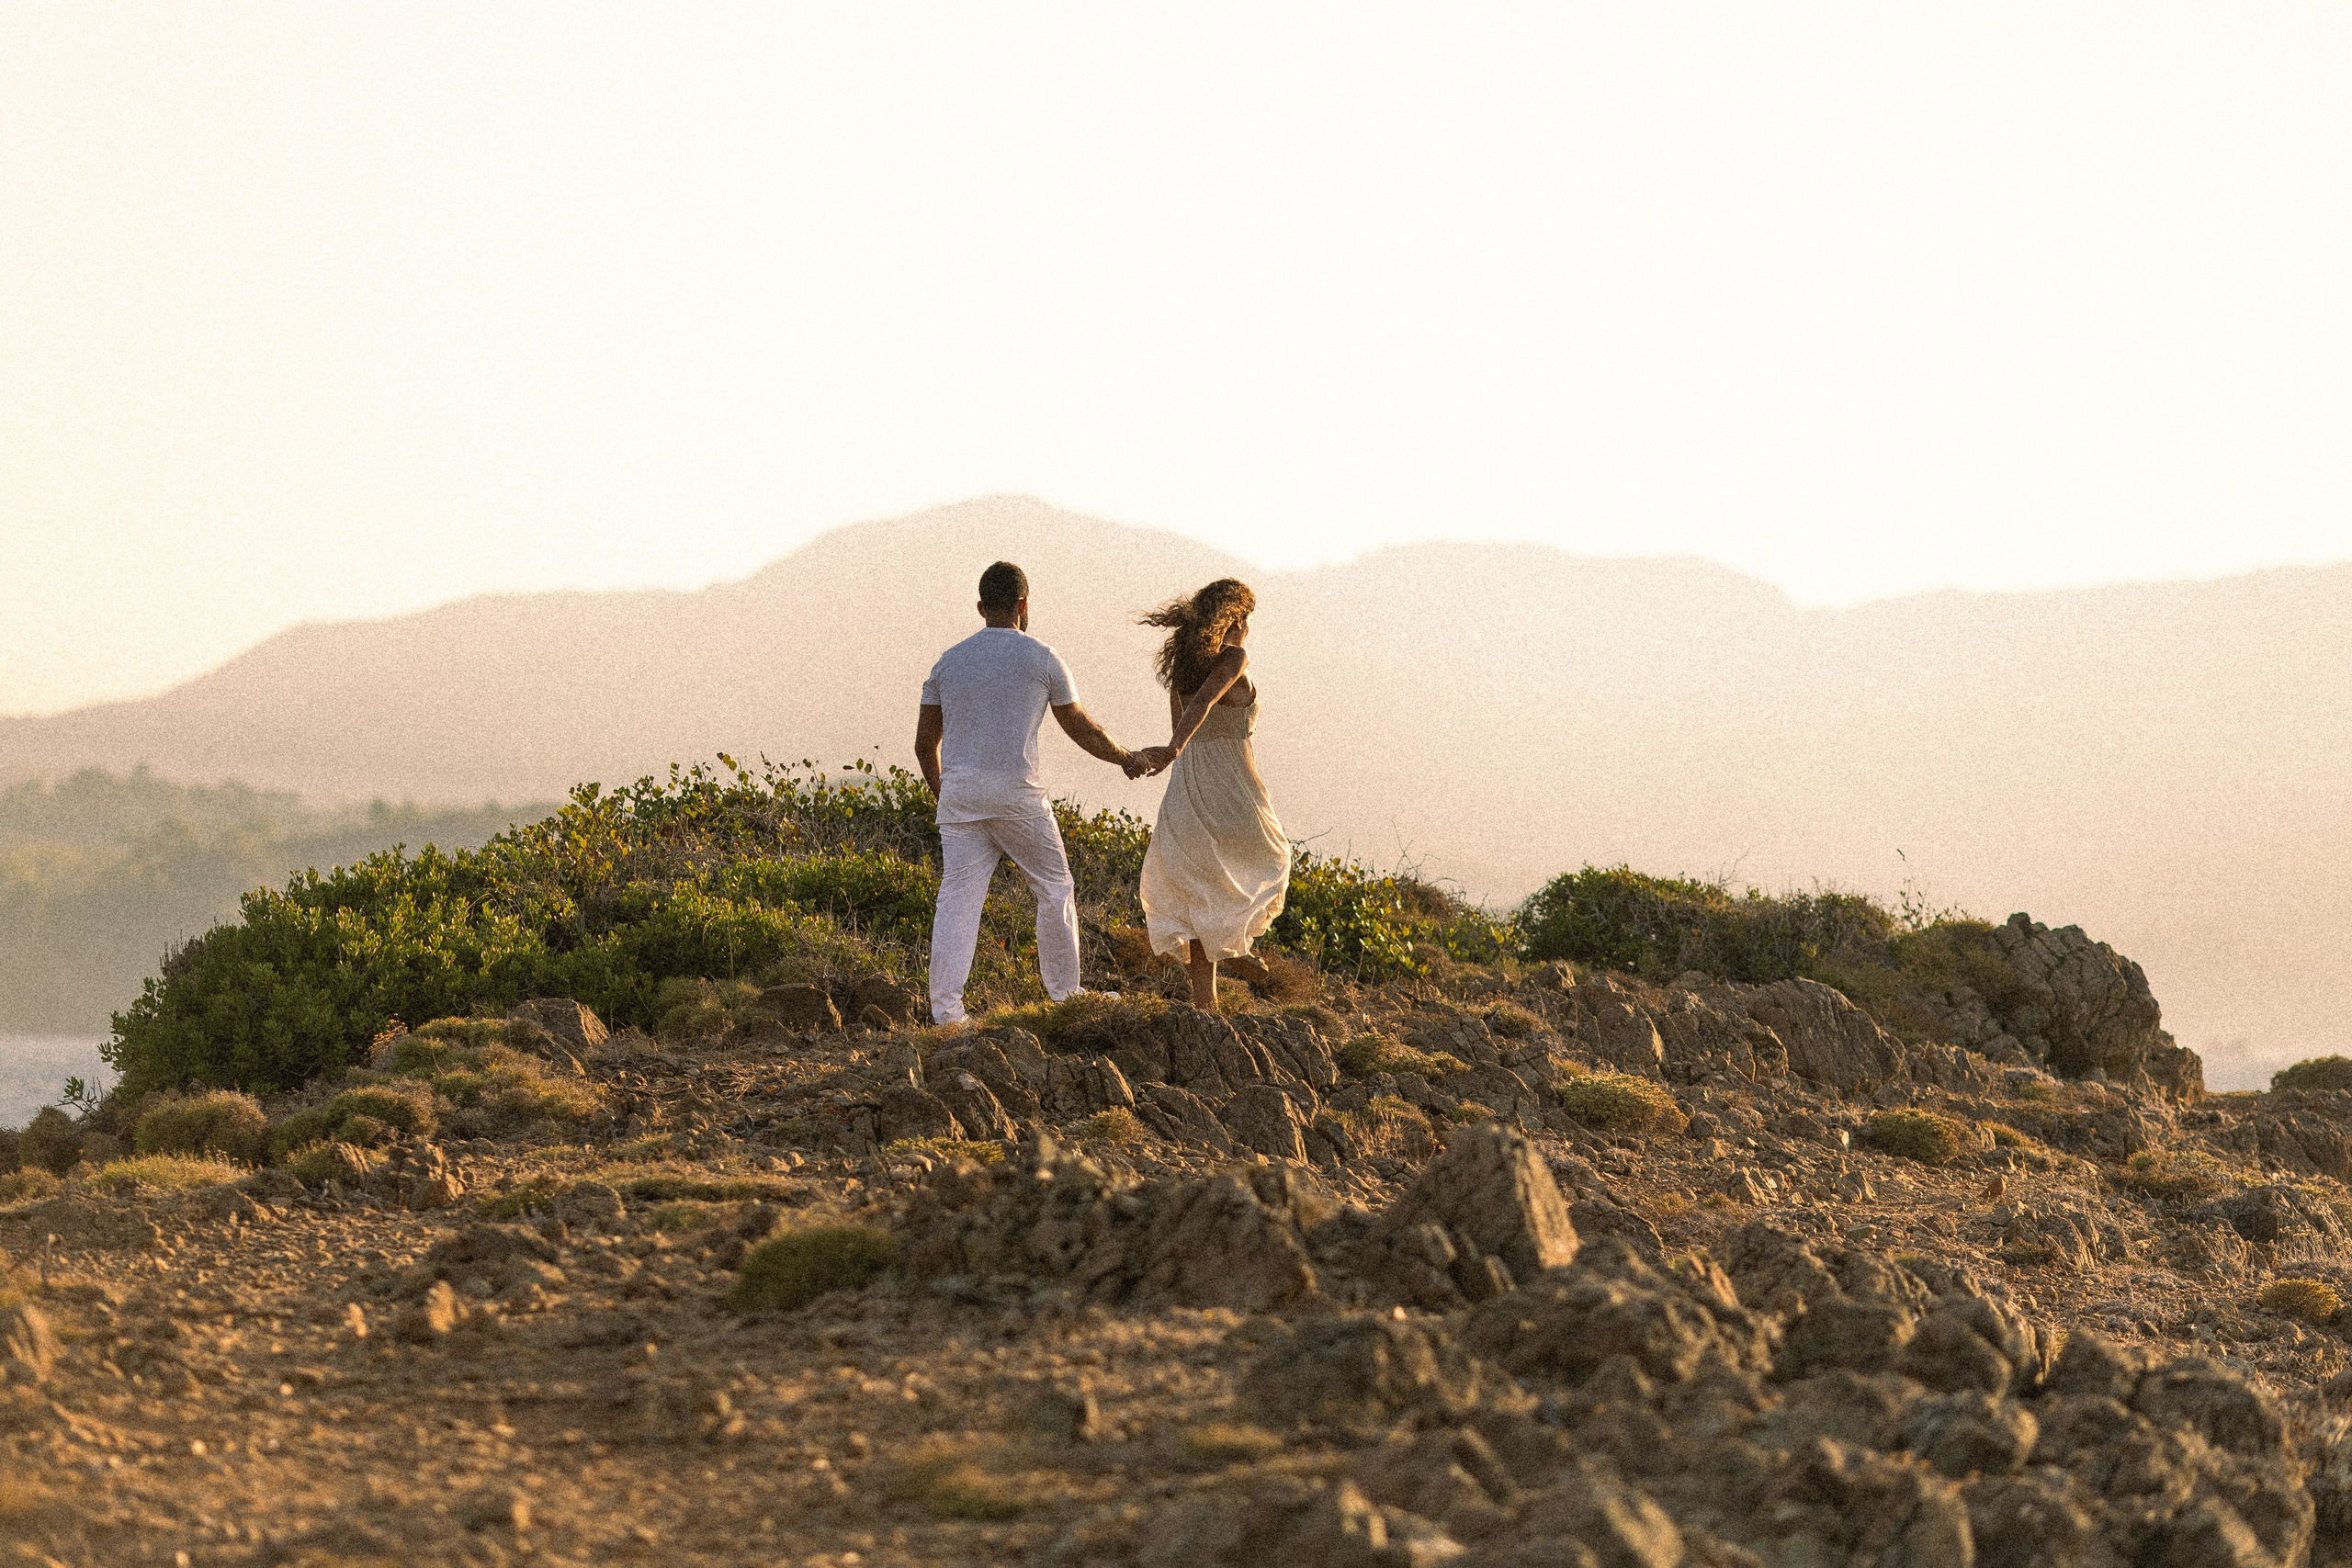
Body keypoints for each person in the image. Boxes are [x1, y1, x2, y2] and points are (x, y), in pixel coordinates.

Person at [917, 560, 1153, 1028]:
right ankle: (1066, 996)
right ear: (1024, 605)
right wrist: (1127, 758)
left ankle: (947, 1013)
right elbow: (1080, 727)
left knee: (958, 900)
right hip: (1018, 798)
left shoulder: (948, 661)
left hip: (961, 799)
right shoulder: (1043, 657)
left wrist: (948, 793)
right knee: (1054, 887)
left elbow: (925, 744)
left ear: (982, 607)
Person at [1130, 578, 1291, 1010]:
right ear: (1237, 619)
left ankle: (1209, 1000)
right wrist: (1173, 750)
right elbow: (1202, 705)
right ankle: (1235, 951)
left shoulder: (1181, 671)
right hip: (1231, 785)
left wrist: (1171, 754)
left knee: (1200, 891)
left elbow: (1186, 717)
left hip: (1187, 786)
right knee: (1270, 860)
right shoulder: (1235, 657)